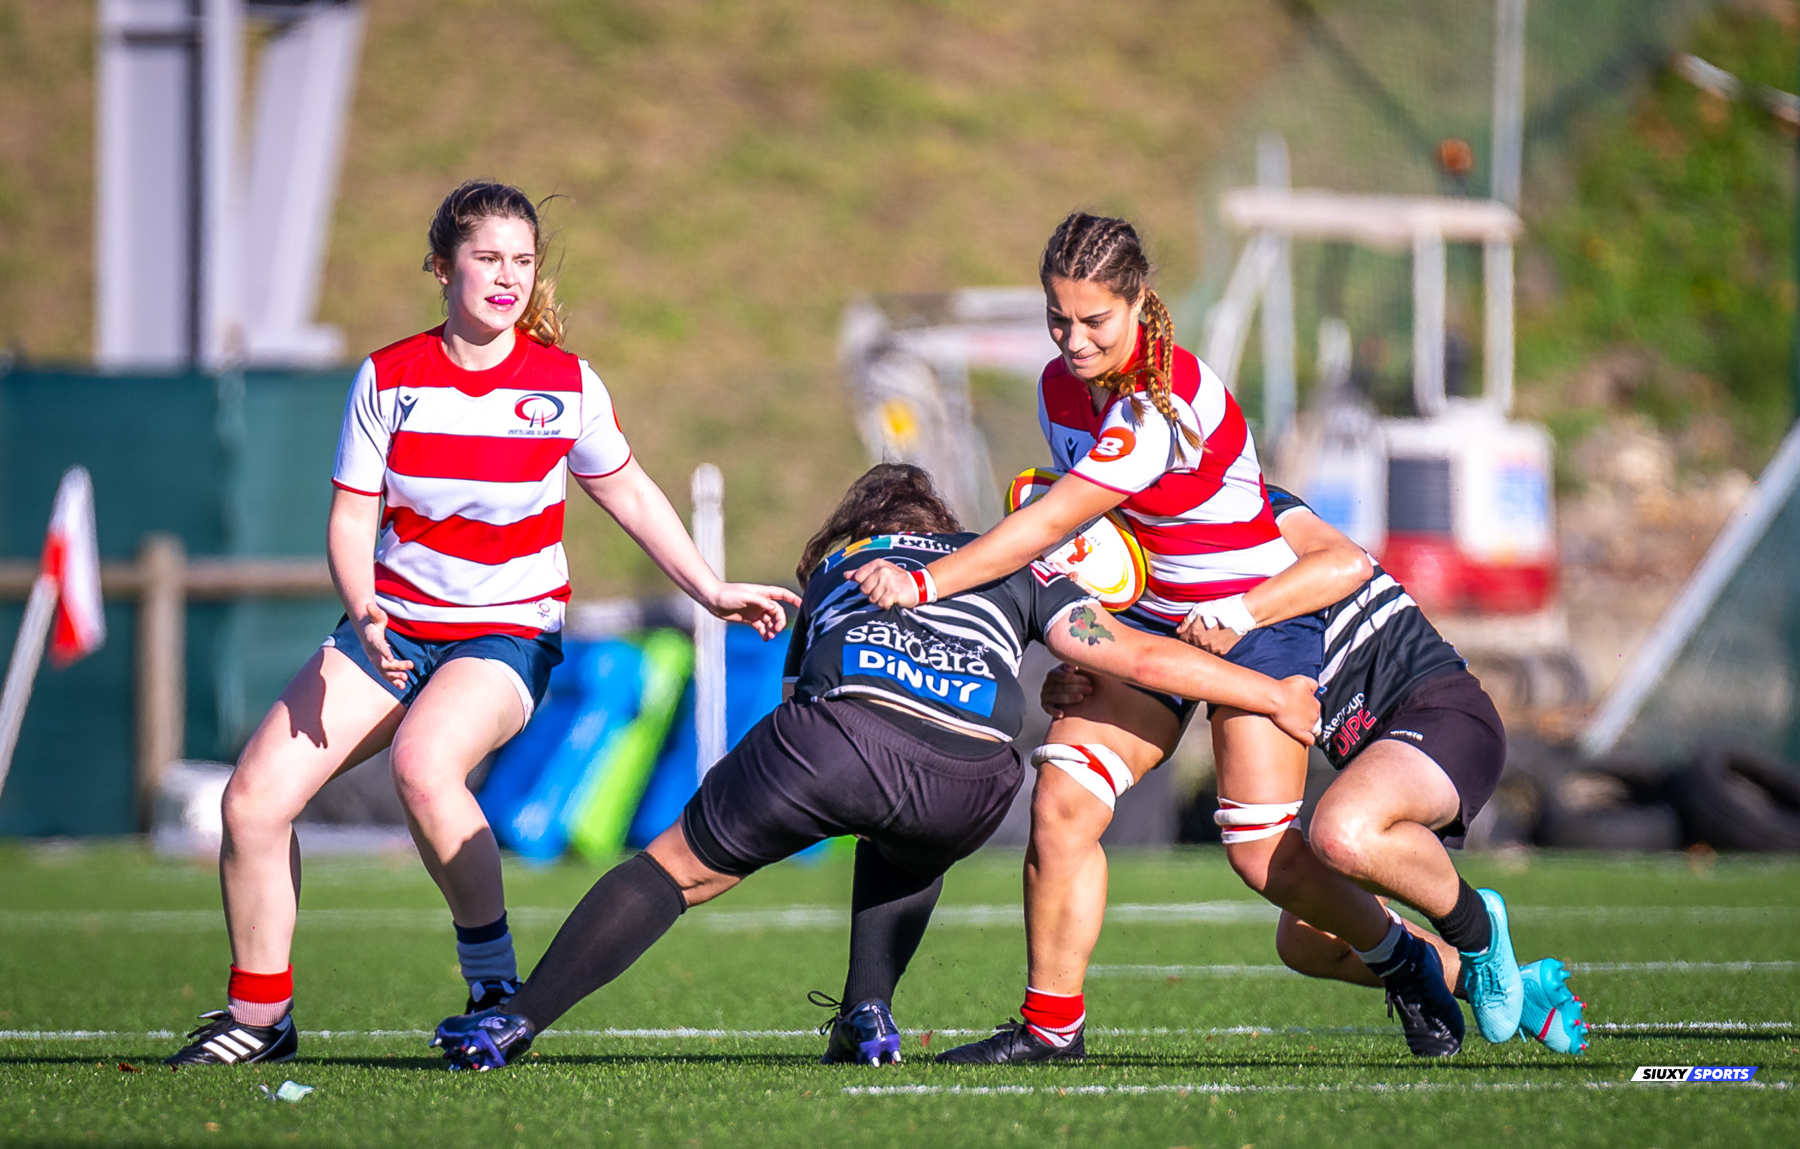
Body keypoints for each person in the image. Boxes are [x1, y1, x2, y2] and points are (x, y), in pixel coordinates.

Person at [165, 181, 797, 1067]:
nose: (508, 278)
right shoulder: (388, 379)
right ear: (441, 265)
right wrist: (364, 607)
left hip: (505, 636)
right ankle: (259, 1018)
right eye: (487, 257)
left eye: (523, 260)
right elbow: (351, 520)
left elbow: (633, 496)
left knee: (427, 763)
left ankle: (496, 985)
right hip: (389, 630)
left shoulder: (565, 383)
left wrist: (711, 587)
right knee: (253, 800)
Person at [429, 463, 1321, 1071]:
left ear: (857, 527)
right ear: (944, 528)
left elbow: (803, 695)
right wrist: (1271, 693)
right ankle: (868, 1014)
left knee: (672, 870)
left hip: (839, 737)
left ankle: (516, 1016)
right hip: (976, 777)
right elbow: (1137, 658)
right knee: (909, 829)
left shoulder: (840, 566)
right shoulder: (1010, 563)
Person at [852, 213, 1396, 1064]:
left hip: (1254, 621)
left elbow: (1044, 526)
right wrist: (1079, 643)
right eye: (1058, 319)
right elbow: (1097, 543)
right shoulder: (1058, 385)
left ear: (1140, 302)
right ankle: (1050, 1028)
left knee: (1261, 857)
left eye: (1094, 320)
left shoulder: (1160, 407)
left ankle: (1417, 964)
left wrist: (925, 580)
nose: (1072, 340)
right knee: (1064, 798)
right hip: (1154, 620)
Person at [1037, 484, 1590, 1056]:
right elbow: (1163, 665)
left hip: (1441, 713)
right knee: (1307, 939)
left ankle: (1479, 927)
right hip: (1375, 755)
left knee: (1340, 832)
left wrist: (1239, 612)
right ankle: (1507, 987)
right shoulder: (1172, 575)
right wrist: (1084, 672)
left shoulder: (1254, 509)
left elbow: (1344, 562)